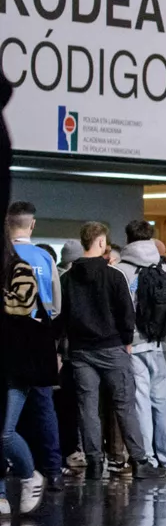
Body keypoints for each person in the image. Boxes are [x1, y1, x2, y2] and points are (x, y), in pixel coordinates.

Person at [61, 222, 159, 479]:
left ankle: (94, 462)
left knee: (88, 409)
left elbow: (62, 318)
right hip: (113, 347)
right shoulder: (114, 276)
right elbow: (127, 313)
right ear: (102, 242)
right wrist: (126, 340)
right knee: (124, 406)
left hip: (81, 351)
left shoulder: (67, 278)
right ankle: (139, 461)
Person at [115, 220, 166, 477]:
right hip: (159, 344)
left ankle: (148, 459)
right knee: (162, 402)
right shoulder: (163, 269)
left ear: (128, 238)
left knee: (140, 401)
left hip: (133, 345)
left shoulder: (121, 270)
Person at [6, 202, 64, 488]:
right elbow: (55, 305)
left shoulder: (7, 256)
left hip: (10, 343)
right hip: (39, 343)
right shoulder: (43, 256)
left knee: (9, 416)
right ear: (32, 225)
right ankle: (53, 471)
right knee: (44, 408)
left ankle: (14, 469)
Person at [2, 247, 47, 514]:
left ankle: (30, 475)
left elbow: (23, 303)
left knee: (5, 432)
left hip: (14, 363)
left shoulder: (19, 269)